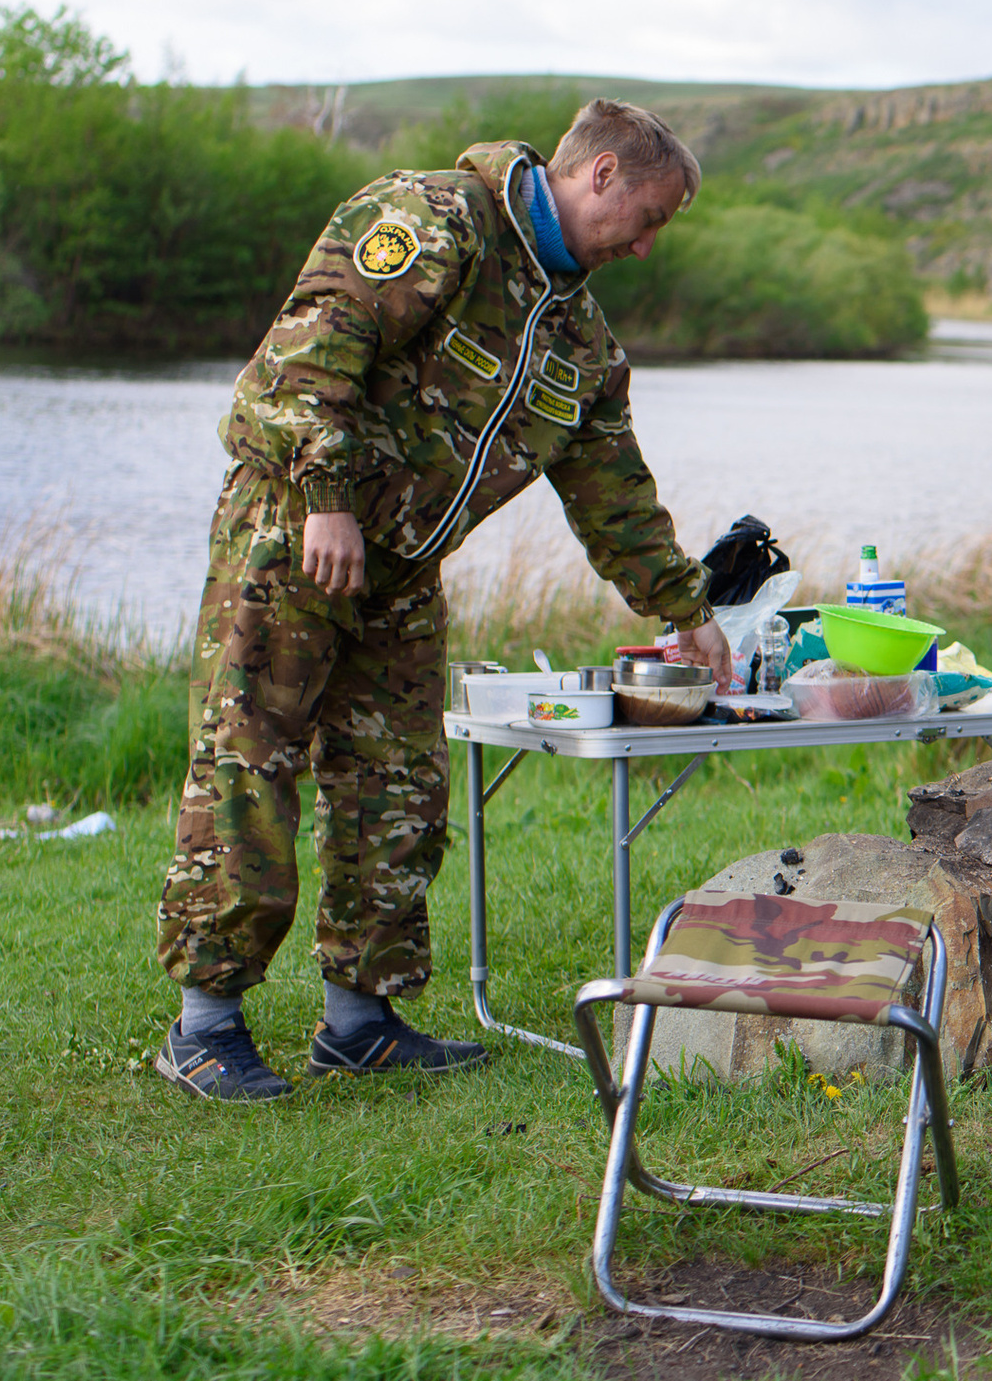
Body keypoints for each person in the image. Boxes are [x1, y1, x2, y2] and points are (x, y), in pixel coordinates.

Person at [152, 99, 736, 1104]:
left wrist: (685, 605)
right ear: (600, 173)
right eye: (648, 218)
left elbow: (614, 491)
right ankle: (205, 1026)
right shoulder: (437, 218)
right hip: (296, 525)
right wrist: (327, 498)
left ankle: (360, 1023)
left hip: (402, 568)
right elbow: (307, 356)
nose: (645, 246)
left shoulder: (579, 341)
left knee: (398, 782)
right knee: (250, 758)